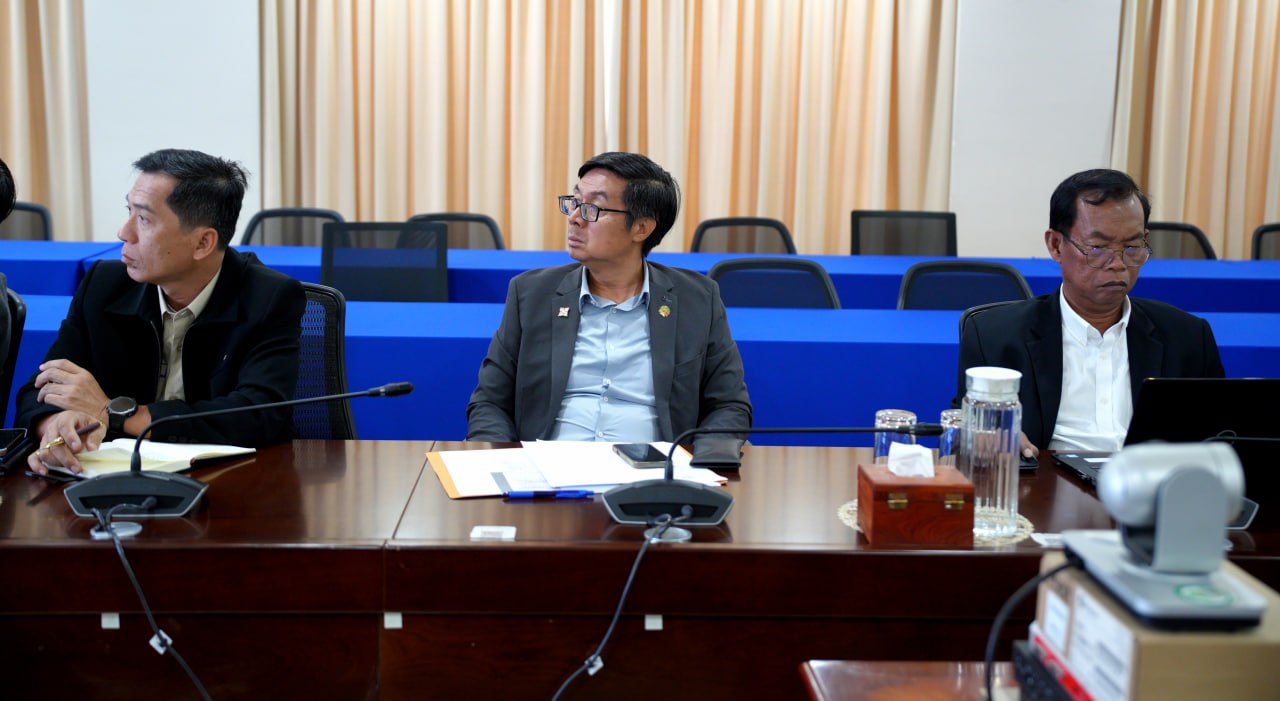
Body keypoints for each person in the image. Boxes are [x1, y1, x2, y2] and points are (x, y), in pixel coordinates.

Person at [16, 149, 306, 474]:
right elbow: (41, 387)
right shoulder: (104, 286)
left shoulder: (268, 297)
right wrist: (56, 425)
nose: (124, 232)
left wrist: (115, 413)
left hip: (229, 480)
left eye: (144, 219)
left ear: (202, 243)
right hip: (115, 479)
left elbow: (260, 413)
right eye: (129, 211)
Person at [466, 151, 752, 455]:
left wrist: (701, 462)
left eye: (593, 208)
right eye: (575, 202)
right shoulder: (531, 293)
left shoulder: (697, 299)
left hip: (653, 473)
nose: (575, 218)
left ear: (641, 228)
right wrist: (502, 461)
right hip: (548, 469)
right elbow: (489, 402)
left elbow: (729, 405)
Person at [955, 168, 1224, 459]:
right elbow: (962, 433)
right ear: (1056, 245)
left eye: (1132, 246)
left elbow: (1222, 437)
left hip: (1150, 482)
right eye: (1098, 247)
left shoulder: (1188, 337)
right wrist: (985, 435)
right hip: (1044, 481)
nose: (1118, 263)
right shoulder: (995, 336)